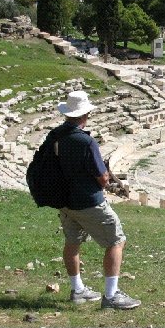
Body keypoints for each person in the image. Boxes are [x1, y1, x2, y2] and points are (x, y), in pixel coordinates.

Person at [54, 91, 141, 310]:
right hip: (88, 201)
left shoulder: (55, 136)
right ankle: (111, 296)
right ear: (86, 114)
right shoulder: (86, 141)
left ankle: (78, 290)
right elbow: (102, 177)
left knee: (72, 242)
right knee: (116, 240)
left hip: (65, 200)